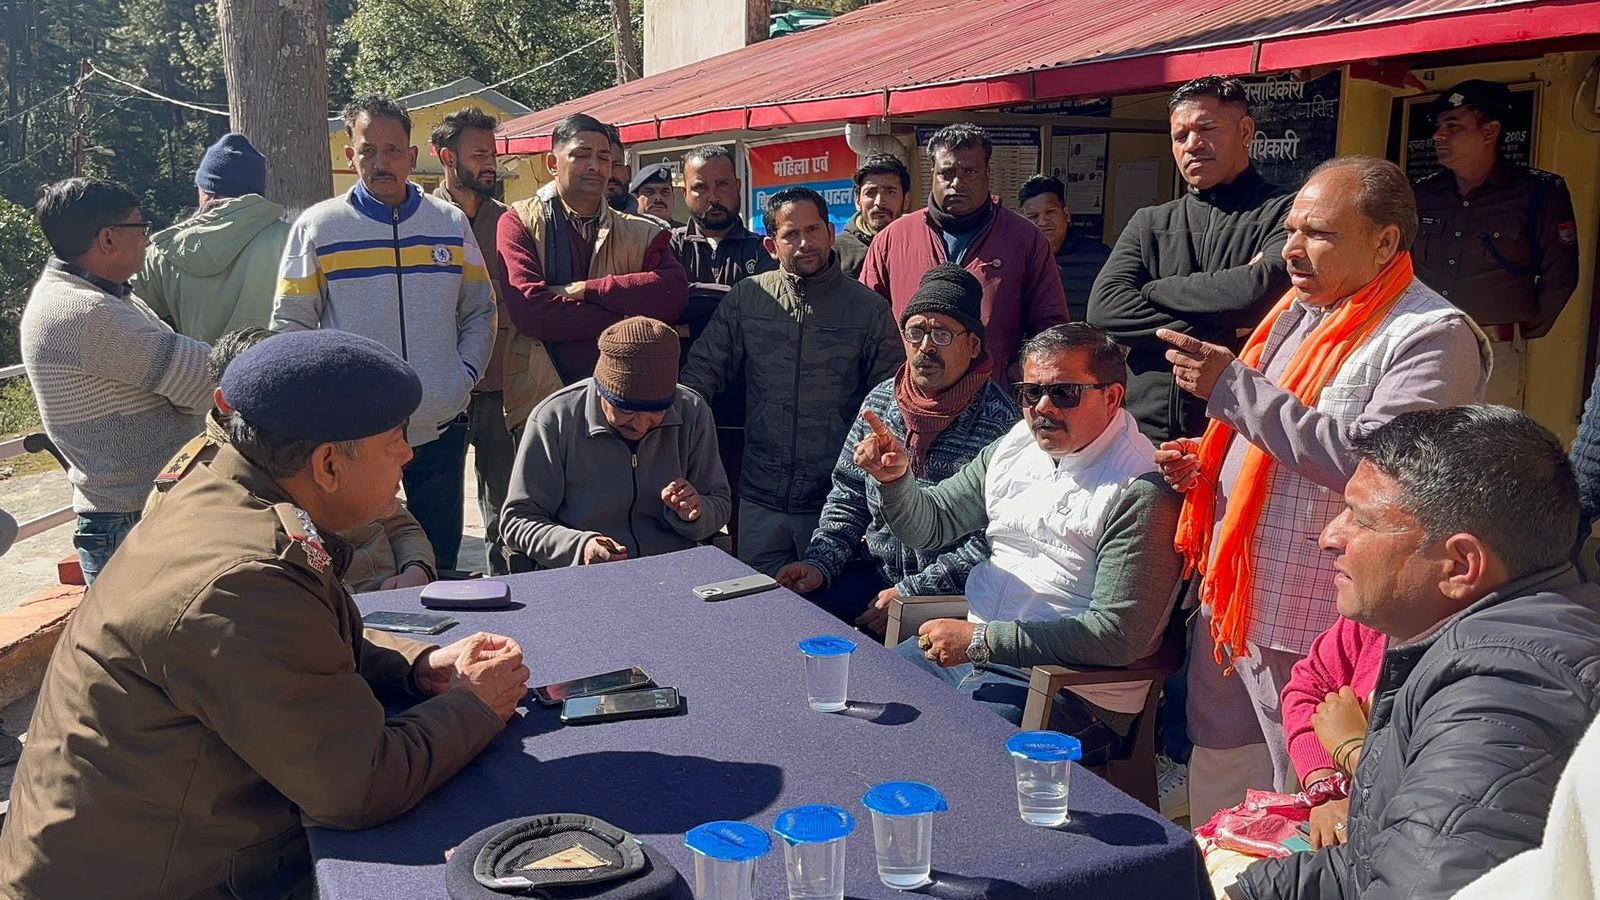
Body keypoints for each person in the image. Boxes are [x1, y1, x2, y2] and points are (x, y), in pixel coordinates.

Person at [0, 330, 530, 898]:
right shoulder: (243, 581)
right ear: (328, 464)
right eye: (394, 440)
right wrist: (475, 705)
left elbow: (297, 641)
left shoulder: (225, 489)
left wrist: (416, 666)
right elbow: (358, 786)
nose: (409, 454)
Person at [1153, 155, 1490, 824]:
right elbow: (1271, 433)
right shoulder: (1297, 311)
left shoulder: (1432, 335)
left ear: (1385, 243)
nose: (1292, 250)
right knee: (1223, 771)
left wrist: (1232, 389)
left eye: (1320, 234)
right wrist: (1212, 457)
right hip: (1237, 596)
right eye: (1291, 231)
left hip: (1316, 610)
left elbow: (1378, 468)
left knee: (1306, 791)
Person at [1224, 406, 1600, 900]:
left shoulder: (1501, 698)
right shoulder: (1475, 639)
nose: (1329, 538)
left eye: (1362, 519)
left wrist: (1349, 751)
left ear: (1460, 565)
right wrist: (1239, 891)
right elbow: (1375, 859)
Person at [853, 323, 1183, 764]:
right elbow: (933, 523)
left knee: (943, 750)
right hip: (980, 652)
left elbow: (1115, 636)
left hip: (1072, 690)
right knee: (864, 704)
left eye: (1063, 393)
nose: (1042, 407)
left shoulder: (1141, 487)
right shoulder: (1015, 446)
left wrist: (983, 640)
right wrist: (896, 481)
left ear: (1112, 397)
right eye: (1030, 393)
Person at [271, 94, 495, 575]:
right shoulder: (319, 227)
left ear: (411, 156)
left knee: (439, 561)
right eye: (367, 150)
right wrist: (326, 403)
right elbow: (291, 326)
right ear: (349, 155)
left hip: (439, 425)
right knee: (362, 568)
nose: (380, 162)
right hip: (356, 435)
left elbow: (480, 309)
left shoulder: (449, 224)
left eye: (392, 150)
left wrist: (462, 376)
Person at [776, 265, 1020, 630]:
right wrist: (820, 562)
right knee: (798, 615)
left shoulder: (1000, 421)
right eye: (916, 332)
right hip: (875, 570)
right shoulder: (881, 402)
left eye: (942, 334)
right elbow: (848, 496)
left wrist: (913, 594)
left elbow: (995, 539)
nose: (926, 347)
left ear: (973, 345)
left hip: (951, 596)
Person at [682, 187, 903, 575]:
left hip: (835, 504)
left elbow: (891, 400)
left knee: (831, 605)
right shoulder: (748, 298)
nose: (805, 243)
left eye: (813, 229)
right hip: (759, 497)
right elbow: (700, 375)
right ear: (771, 245)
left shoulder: (868, 309)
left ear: (830, 233)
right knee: (757, 602)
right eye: (791, 234)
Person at [144, 327, 437, 593]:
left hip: (388, 601)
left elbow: (401, 525)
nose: (406, 453)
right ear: (225, 402)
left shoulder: (325, 447)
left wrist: (416, 567)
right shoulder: (197, 481)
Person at [20, 177, 212, 583]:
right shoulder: (87, 313)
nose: (147, 239)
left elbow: (189, 384)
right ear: (109, 239)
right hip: (135, 521)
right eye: (140, 227)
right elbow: (205, 383)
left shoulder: (100, 296)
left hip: (130, 515)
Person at [1088, 75, 1294, 442]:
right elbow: (1105, 309)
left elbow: (1257, 294)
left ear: (1245, 131)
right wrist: (1225, 329)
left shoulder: (1285, 212)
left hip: (1239, 429)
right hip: (1142, 432)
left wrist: (1152, 289)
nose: (1193, 145)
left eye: (1207, 129)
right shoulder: (1150, 222)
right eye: (1180, 136)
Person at [497, 113, 688, 423]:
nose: (595, 166)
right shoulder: (519, 222)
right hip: (542, 398)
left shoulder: (642, 232)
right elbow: (532, 313)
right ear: (552, 163)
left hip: (624, 403)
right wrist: (629, 320)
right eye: (582, 155)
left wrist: (589, 290)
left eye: (604, 157)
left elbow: (672, 295)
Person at [501, 316, 730, 567]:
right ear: (601, 391)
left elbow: (719, 502)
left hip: (672, 570)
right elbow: (518, 521)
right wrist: (580, 546)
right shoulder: (555, 419)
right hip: (584, 576)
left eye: (656, 412)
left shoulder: (692, 410)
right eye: (626, 411)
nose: (640, 426)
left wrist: (695, 512)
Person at [1413, 79, 1581, 409]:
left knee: (1485, 439)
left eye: (1453, 125)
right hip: (1420, 343)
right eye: (1439, 126)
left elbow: (1560, 275)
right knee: (1416, 437)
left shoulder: (1538, 192)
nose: (1438, 135)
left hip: (1493, 348)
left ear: (1489, 132)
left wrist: (1517, 329)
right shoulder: (1423, 194)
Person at [860, 123, 1067, 385]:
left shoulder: (1026, 239)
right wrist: (893, 384)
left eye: (970, 172)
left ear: (987, 173)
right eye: (946, 173)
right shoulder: (891, 240)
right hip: (909, 397)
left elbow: (1049, 331)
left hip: (994, 397)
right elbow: (865, 327)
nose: (957, 183)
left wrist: (1010, 380)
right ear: (932, 172)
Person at [430, 107, 516, 575]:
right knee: (435, 513)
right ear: (447, 157)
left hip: (501, 386)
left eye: (493, 154)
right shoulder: (422, 220)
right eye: (479, 154)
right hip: (440, 391)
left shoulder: (510, 224)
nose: (490, 164)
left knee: (506, 510)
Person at [135, 132, 290, 344]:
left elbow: (125, 313)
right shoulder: (296, 241)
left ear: (207, 191)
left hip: (195, 364)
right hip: (278, 362)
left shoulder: (165, 251)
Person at [1277, 617, 1385, 849]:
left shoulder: (1460, 671)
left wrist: (1351, 747)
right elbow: (1308, 686)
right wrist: (1325, 787)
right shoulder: (1371, 618)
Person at [1018, 173, 1111, 323]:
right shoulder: (1014, 259)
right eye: (1033, 216)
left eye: (1050, 212)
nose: (1042, 222)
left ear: (1066, 214)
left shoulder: (1100, 258)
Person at [836, 153, 910, 279]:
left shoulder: (919, 245)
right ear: (857, 201)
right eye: (870, 193)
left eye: (890, 192)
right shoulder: (835, 253)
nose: (879, 202)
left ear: (906, 200)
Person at [631, 163, 680, 228]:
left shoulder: (687, 233)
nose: (658, 198)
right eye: (649, 192)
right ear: (635, 198)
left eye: (665, 192)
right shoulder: (626, 231)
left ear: (673, 198)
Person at [605, 129, 635, 213]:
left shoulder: (648, 222)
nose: (611, 175)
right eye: (603, 166)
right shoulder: (573, 221)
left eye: (616, 165)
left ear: (628, 172)